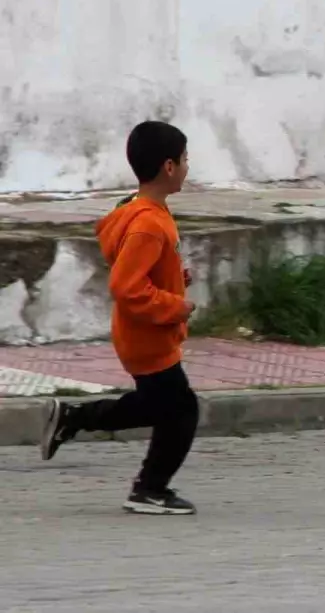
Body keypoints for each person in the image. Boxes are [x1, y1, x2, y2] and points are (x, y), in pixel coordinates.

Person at [40, 121, 200, 516]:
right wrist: (175, 305)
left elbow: (143, 270)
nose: (187, 167)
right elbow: (127, 286)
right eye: (184, 160)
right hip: (147, 332)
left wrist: (174, 278)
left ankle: (73, 418)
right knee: (181, 410)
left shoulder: (145, 210)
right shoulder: (148, 222)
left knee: (158, 405)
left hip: (143, 330)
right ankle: (149, 489)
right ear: (167, 167)